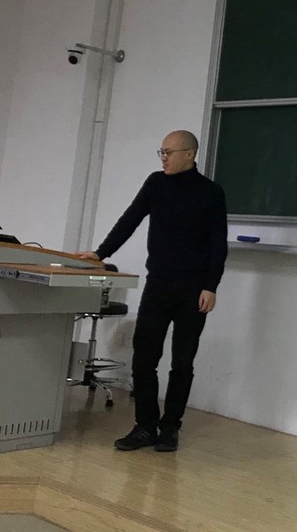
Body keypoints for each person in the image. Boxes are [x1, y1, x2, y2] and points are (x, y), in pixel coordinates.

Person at [78, 130, 227, 452]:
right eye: (161, 152)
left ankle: (170, 427)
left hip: (193, 291)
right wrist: (101, 253)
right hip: (157, 285)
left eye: (169, 152)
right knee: (144, 359)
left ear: (190, 154)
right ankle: (145, 426)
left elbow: (218, 244)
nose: (164, 158)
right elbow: (130, 219)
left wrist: (210, 286)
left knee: (182, 363)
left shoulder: (211, 193)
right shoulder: (156, 184)